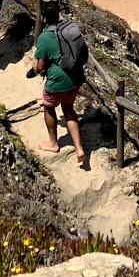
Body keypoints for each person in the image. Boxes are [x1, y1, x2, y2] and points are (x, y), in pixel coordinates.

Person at [33, 14, 88, 167]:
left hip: (57, 83)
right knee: (69, 108)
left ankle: (54, 144)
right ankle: (79, 149)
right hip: (76, 78)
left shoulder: (44, 37)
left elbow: (40, 66)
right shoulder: (68, 29)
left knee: (49, 108)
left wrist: (34, 67)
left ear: (44, 17)